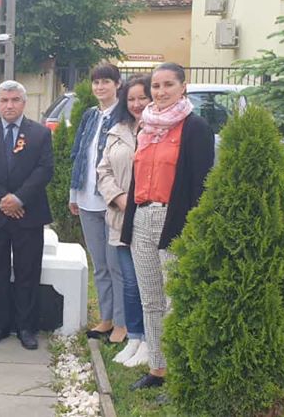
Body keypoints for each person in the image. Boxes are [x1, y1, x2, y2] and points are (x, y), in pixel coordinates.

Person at [120, 63, 215, 390]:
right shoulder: (145, 126)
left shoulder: (195, 127)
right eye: (156, 86)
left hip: (174, 220)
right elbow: (135, 179)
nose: (160, 92)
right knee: (151, 299)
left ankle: (180, 369)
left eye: (168, 85)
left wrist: (190, 226)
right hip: (143, 218)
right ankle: (158, 369)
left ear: (183, 87)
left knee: (176, 298)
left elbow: (200, 184)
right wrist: (130, 222)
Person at [0, 80, 54, 350]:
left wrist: (19, 198)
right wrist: (3, 198)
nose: (9, 105)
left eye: (15, 100)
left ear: (24, 103)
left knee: (28, 271)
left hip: (28, 214)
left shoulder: (40, 134)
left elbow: (44, 169)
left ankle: (26, 328)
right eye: (4, 100)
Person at [68, 63, 125, 343]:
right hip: (86, 199)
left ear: (117, 84)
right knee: (99, 264)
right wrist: (73, 193)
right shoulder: (90, 116)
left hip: (112, 202)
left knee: (117, 265)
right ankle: (106, 318)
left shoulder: (125, 116)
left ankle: (122, 324)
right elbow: (79, 153)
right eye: (96, 82)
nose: (100, 87)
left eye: (106, 82)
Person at [98, 74, 150, 367]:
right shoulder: (117, 129)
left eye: (142, 97)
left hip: (150, 217)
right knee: (130, 282)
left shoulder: (159, 128)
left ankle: (150, 342)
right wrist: (117, 197)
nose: (136, 104)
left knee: (149, 284)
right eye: (131, 99)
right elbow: (102, 170)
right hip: (120, 217)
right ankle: (135, 337)